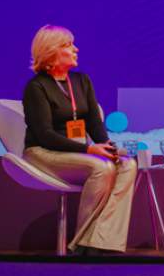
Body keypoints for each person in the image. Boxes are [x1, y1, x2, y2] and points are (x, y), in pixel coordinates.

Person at [22, 24, 136, 255]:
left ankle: (100, 241)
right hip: (43, 152)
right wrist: (90, 150)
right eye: (69, 45)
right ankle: (83, 245)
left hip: (77, 152)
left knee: (127, 165)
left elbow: (94, 122)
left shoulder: (82, 81)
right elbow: (45, 135)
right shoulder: (36, 87)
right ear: (52, 51)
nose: (76, 49)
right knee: (100, 168)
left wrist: (107, 148)